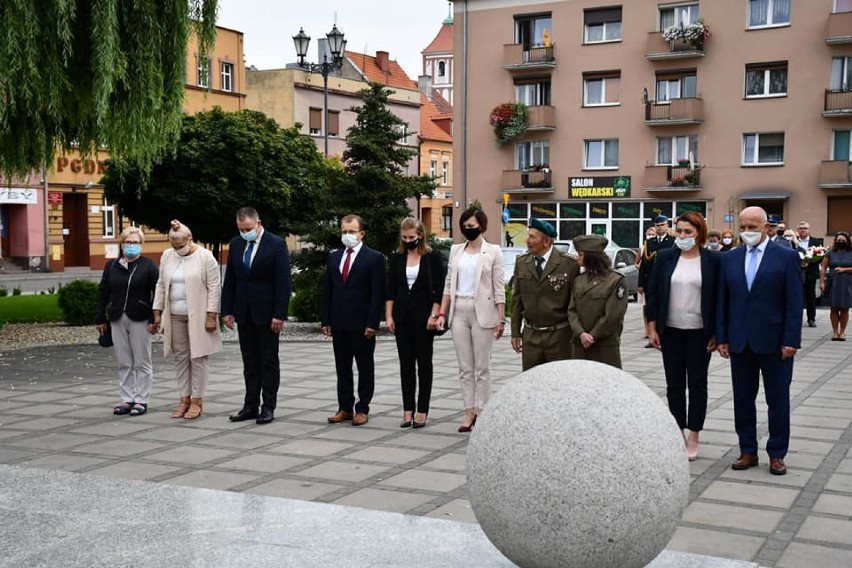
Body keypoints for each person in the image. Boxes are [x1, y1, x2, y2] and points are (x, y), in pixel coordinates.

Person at [717, 206, 803, 476]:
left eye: (752, 227)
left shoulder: (786, 257)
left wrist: (791, 339)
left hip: (775, 342)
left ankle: (777, 454)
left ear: (767, 227)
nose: (746, 232)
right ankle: (747, 450)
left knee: (778, 400)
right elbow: (723, 301)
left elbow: (794, 302)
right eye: (742, 227)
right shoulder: (729, 258)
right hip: (740, 341)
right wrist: (722, 337)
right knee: (743, 398)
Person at [646, 212, 721, 461]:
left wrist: (718, 333)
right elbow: (654, 294)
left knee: (698, 385)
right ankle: (677, 430)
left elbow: (721, 300)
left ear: (699, 233)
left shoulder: (713, 260)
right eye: (679, 231)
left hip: (700, 333)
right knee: (674, 384)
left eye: (688, 232)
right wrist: (652, 328)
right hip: (671, 332)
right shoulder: (666, 257)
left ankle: (694, 434)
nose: (682, 236)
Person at [436, 207, 505, 433]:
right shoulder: (456, 250)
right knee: (465, 367)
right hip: (459, 310)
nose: (468, 229)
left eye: (472, 226)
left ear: (482, 226)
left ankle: (482, 410)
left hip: (482, 310)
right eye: (465, 226)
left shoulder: (493, 251)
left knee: (481, 367)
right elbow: (448, 284)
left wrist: (501, 317)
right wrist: (442, 313)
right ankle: (468, 410)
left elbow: (498, 287)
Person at [222, 207, 291, 425]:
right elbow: (231, 279)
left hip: (268, 313)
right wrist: (227, 310)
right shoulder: (235, 244)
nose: (245, 232)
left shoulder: (276, 244)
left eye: (248, 229)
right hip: (244, 311)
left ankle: (268, 406)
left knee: (268, 361)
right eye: (241, 229)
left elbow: (283, 282)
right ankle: (250, 405)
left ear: (258, 223)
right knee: (250, 361)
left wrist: (279, 313)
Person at [152, 220, 223, 420]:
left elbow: (214, 288)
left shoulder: (205, 257)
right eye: (174, 246)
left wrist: (211, 315)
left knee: (198, 357)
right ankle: (184, 398)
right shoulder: (167, 256)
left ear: (190, 240)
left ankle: (197, 400)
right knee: (180, 357)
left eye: (181, 246)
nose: (177, 249)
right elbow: (161, 284)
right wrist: (157, 311)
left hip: (199, 315)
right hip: (175, 314)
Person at [323, 214, 385, 427]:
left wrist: (372, 323)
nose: (347, 235)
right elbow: (328, 290)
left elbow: (377, 293)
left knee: (365, 367)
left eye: (351, 231)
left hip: (362, 324)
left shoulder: (374, 258)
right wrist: (326, 319)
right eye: (344, 231)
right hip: (339, 322)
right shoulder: (334, 257)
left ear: (361, 233)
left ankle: (362, 408)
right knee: (342, 367)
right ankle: (345, 407)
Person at [385, 217, 444, 428]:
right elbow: (390, 290)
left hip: (424, 318)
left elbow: (439, 289)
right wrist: (389, 317)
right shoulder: (397, 258)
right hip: (402, 318)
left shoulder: (432, 258)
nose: (408, 240)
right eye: (404, 237)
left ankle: (422, 410)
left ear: (420, 235)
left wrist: (434, 314)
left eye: (412, 237)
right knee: (406, 365)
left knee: (424, 365)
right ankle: (407, 409)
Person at [95, 227, 159, 416]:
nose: (132, 246)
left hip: (140, 317)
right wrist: (100, 317)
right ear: (122, 244)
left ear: (142, 245)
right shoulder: (112, 266)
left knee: (141, 360)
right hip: (117, 316)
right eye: (128, 242)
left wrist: (154, 317)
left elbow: (158, 292)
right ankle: (127, 398)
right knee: (124, 360)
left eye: (136, 242)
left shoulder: (148, 265)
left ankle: (141, 399)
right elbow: (103, 291)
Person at [510, 218, 579, 371]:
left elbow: (575, 304)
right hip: (531, 336)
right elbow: (517, 300)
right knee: (531, 383)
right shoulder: (522, 262)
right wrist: (515, 332)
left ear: (546, 241)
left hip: (559, 337)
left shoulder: (568, 264)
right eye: (528, 236)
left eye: (532, 237)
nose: (527, 241)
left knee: (559, 382)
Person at [567, 234, 629, 369]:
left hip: (604, 345)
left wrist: (592, 336)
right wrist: (581, 333)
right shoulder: (579, 280)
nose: (577, 258)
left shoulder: (615, 280)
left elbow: (613, 315)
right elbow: (571, 310)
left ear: (591, 257)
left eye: (581, 254)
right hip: (580, 344)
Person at [638, 215, 675, 346]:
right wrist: (640, 283)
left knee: (665, 307)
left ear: (667, 226)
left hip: (666, 280)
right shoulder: (649, 242)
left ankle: (664, 336)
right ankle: (651, 335)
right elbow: (643, 264)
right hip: (651, 281)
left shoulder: (673, 241)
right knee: (651, 308)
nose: (660, 228)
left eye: (662, 225)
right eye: (657, 225)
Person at [821, 231, 852, 341]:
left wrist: (844, 269)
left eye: (843, 241)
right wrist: (822, 282)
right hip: (833, 283)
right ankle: (835, 332)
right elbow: (823, 267)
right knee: (833, 308)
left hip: (848, 284)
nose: (841, 242)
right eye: (839, 240)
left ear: (848, 242)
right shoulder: (830, 252)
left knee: (844, 308)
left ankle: (842, 332)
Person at [797, 221, 824, 328]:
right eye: (800, 228)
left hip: (810, 273)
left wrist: (811, 260)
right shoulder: (793, 241)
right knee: (797, 297)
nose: (803, 230)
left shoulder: (816, 242)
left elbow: (821, 257)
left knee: (810, 297)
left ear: (809, 230)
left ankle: (811, 319)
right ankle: (797, 318)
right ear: (798, 230)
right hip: (797, 273)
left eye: (805, 228)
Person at [637, 227, 658, 339]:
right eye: (648, 234)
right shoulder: (644, 247)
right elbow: (641, 266)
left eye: (652, 234)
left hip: (658, 282)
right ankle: (648, 330)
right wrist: (640, 283)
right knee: (647, 307)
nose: (650, 236)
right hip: (647, 282)